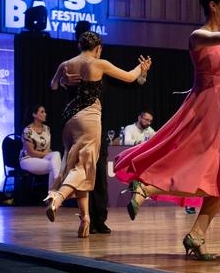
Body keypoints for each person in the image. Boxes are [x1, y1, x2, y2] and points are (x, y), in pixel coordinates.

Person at [114, 0, 220, 260]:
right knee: (194, 169)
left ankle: (196, 235)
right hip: (205, 108)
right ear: (213, 5)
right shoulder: (199, 36)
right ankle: (146, 187)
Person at [46, 31, 151, 237]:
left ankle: (86, 219)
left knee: (76, 165)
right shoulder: (99, 64)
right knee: (84, 168)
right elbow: (130, 77)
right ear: (98, 48)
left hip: (68, 120)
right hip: (89, 120)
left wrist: (65, 81)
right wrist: (142, 67)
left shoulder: (66, 64)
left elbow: (53, 85)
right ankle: (57, 198)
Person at [19, 104, 63, 194]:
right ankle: (54, 190)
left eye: (45, 112)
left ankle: (55, 184)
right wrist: (48, 154)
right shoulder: (28, 131)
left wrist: (49, 154)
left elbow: (47, 148)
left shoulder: (47, 129)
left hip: (42, 158)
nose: (45, 114)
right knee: (53, 165)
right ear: (34, 114)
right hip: (28, 159)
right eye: (42, 112)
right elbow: (31, 153)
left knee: (56, 154)